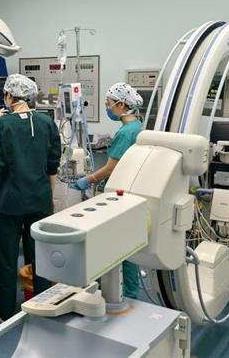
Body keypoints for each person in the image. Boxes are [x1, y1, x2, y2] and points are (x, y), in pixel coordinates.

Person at [0, 74, 62, 323]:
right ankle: (41, 307)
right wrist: (50, 197)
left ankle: (5, 312)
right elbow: (52, 164)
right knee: (39, 256)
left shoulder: (1, 125)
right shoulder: (46, 123)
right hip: (40, 200)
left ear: (9, 96)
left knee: (8, 259)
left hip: (10, 202)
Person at [73, 82, 144, 299]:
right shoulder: (137, 126)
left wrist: (88, 180)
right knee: (128, 244)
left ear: (121, 104)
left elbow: (111, 167)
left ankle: (115, 292)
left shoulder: (126, 132)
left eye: (109, 103)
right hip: (131, 191)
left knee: (115, 244)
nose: (107, 107)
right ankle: (130, 292)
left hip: (119, 194)